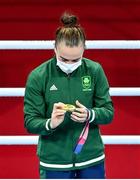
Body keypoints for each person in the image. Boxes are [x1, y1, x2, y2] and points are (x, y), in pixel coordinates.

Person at [24, 12, 114, 179]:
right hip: (53, 162)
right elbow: (30, 122)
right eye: (64, 59)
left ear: (84, 50)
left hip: (91, 158)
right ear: (54, 48)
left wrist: (90, 114)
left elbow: (108, 112)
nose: (70, 65)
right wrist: (51, 123)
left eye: (76, 60)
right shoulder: (38, 76)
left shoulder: (94, 70)